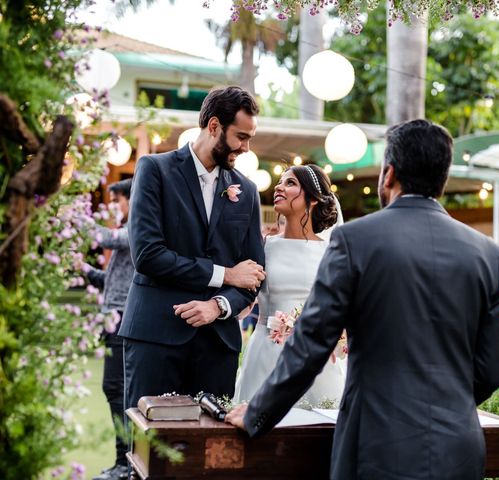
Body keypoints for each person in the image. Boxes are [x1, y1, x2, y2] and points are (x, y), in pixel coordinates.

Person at [226, 119, 499, 479]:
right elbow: (490, 369)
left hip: (374, 443)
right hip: (458, 446)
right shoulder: (484, 252)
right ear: (443, 178)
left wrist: (257, 412)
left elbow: (311, 344)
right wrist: (446, 405)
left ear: (387, 175)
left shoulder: (356, 240)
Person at [119, 86, 266, 408]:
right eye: (241, 137)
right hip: (156, 336)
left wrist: (218, 306)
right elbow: (147, 255)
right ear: (214, 126)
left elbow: (253, 273)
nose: (245, 147)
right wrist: (225, 275)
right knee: (150, 447)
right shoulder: (154, 170)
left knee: (211, 451)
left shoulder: (248, 190)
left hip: (218, 345)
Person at [234, 165, 345, 406]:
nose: (278, 187)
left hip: (314, 356)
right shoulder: (262, 246)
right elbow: (244, 300)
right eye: (280, 182)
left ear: (313, 199)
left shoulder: (331, 252)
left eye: (290, 183)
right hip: (265, 351)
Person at [83, 179, 134, 480]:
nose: (116, 206)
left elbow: (105, 237)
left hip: (123, 319)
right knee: (116, 388)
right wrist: (86, 270)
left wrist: (73, 217)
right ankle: (123, 461)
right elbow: (112, 282)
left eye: (118, 200)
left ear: (132, 199)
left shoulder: (135, 229)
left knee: (117, 389)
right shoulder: (128, 230)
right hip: (115, 315)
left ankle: (124, 463)